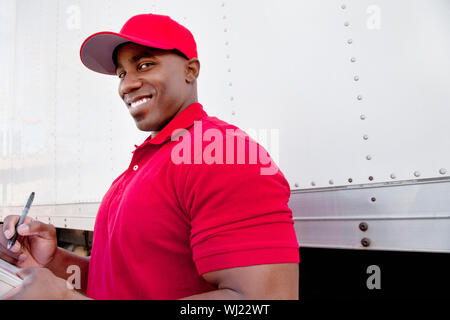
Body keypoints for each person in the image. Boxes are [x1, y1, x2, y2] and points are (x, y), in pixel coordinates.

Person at [0, 13, 299, 300]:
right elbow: (117, 284)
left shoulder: (222, 154)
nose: (126, 85)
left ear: (190, 71)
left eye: (144, 65)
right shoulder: (144, 165)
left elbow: (261, 302)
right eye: (121, 73)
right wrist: (53, 260)